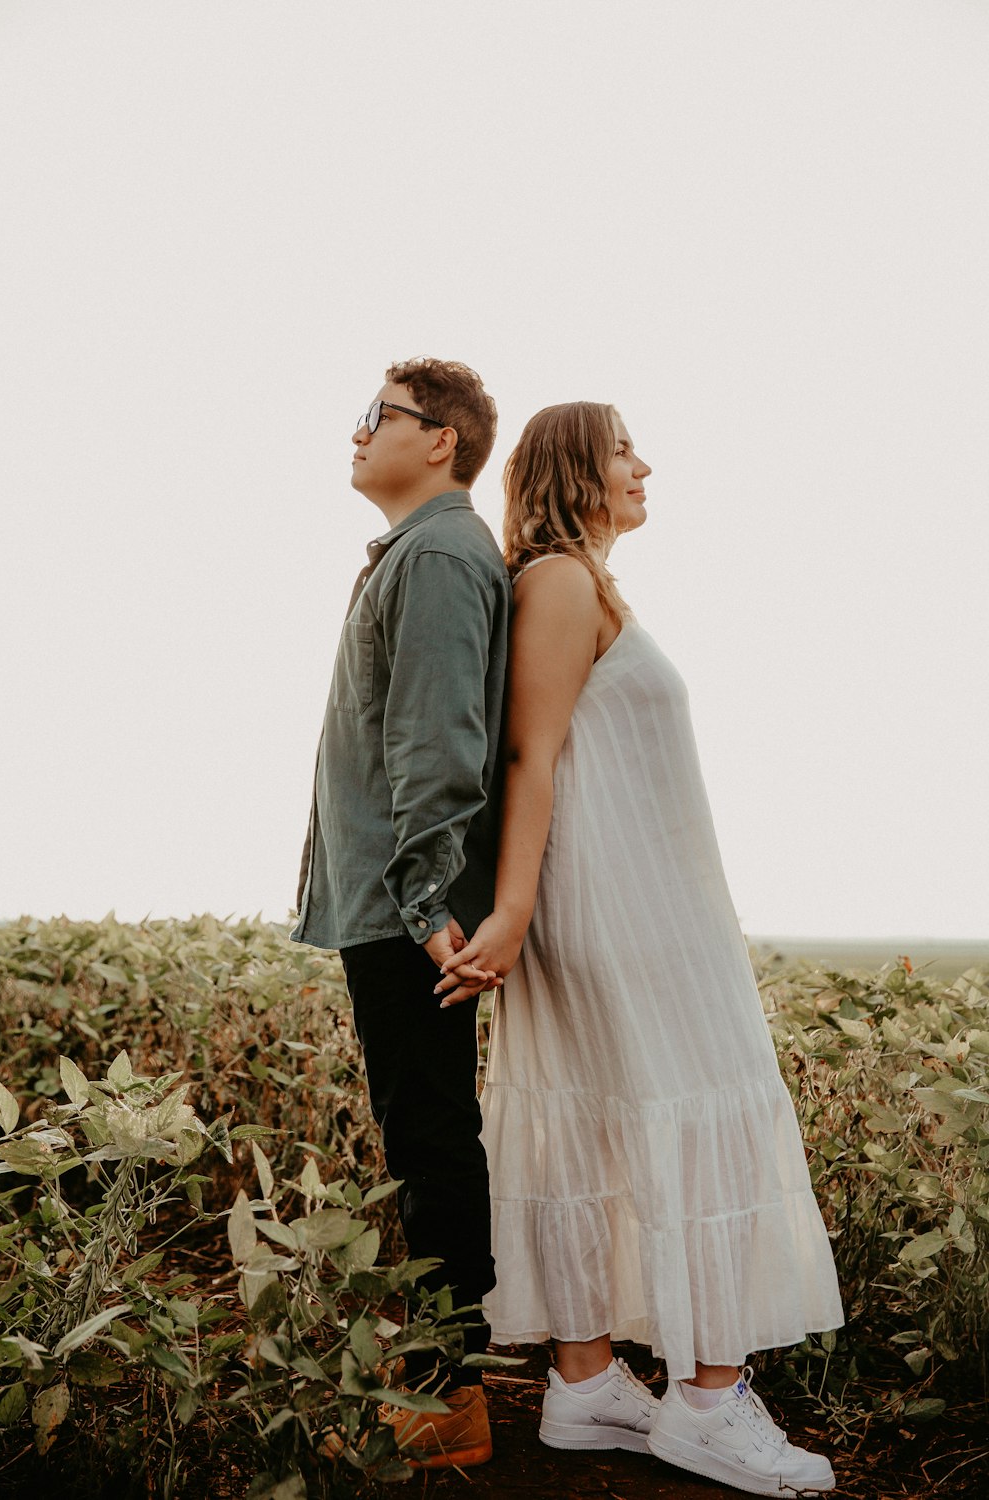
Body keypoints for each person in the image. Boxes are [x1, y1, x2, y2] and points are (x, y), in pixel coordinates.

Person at [437, 402, 845, 1495]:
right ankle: (708, 1400)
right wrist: (513, 910)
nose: (645, 464)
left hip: (627, 904)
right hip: (615, 910)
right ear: (577, 467)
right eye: (624, 450)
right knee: (706, 1104)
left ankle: (584, 1386)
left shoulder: (579, 585)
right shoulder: (561, 582)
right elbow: (530, 755)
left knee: (592, 1115)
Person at [292, 357, 511, 1469]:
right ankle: (442, 1368)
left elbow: (438, 740)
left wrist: (423, 894)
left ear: (439, 441)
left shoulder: (435, 554)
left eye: (374, 416)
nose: (356, 431)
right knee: (423, 1129)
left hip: (406, 906)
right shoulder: (419, 552)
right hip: (391, 898)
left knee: (429, 1136)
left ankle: (446, 1400)